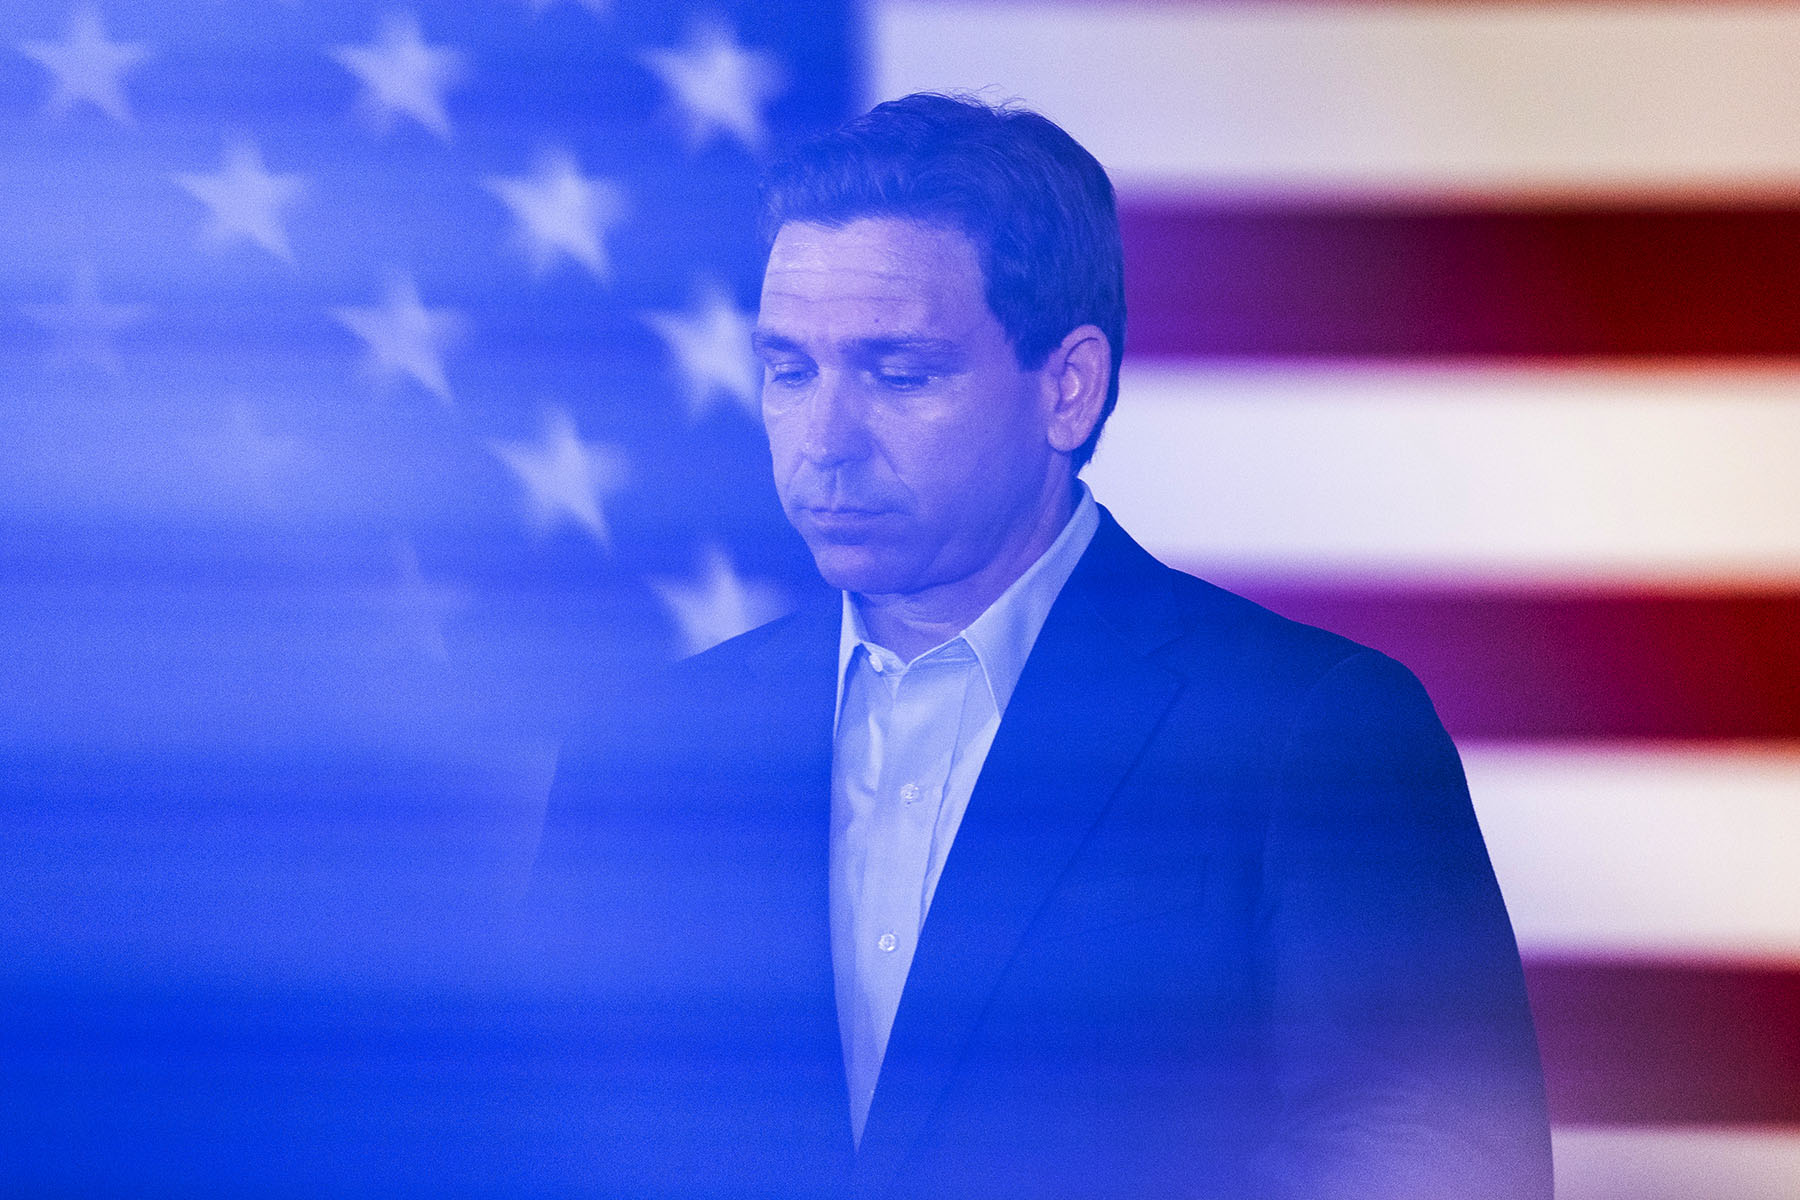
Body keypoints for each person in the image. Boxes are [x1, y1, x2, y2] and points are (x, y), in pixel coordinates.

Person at [530, 92, 1552, 1200]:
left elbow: (1439, 1156)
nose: (823, 441)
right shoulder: (642, 748)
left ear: (1068, 388)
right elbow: (541, 1140)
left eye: (898, 373)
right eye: (789, 370)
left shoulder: (1311, 728)